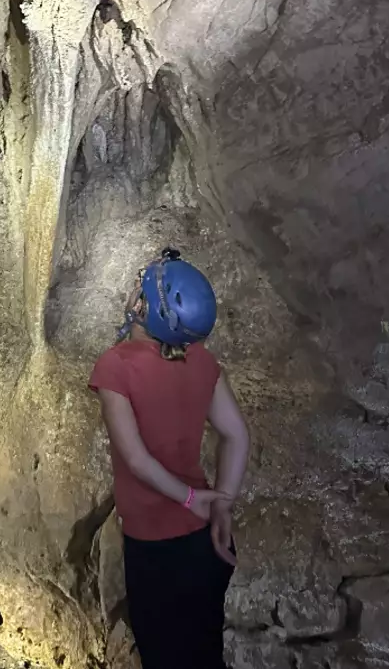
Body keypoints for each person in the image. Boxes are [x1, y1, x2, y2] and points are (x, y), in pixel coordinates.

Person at [89, 248, 249, 669]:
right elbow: (236, 434)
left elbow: (137, 460)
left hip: (156, 546)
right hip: (207, 540)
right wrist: (222, 504)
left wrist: (191, 499)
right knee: (204, 655)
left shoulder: (114, 368)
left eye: (140, 289)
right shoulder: (202, 360)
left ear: (144, 309)